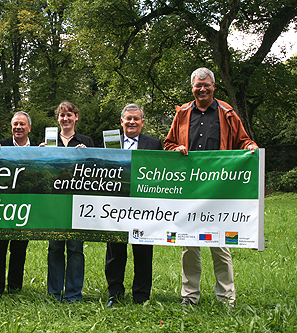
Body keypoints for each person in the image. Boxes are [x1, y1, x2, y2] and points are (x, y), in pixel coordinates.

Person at [164, 67, 258, 308]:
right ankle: (189, 296)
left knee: (220, 243)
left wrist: (251, 148)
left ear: (214, 86)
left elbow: (244, 140)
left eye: (206, 85)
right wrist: (176, 149)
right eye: (198, 85)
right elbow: (168, 144)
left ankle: (226, 298)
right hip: (189, 190)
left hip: (219, 189)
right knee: (189, 245)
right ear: (192, 88)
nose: (202, 89)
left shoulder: (227, 112)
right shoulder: (183, 113)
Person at [105, 104, 162, 307]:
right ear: (121, 122)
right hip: (116, 208)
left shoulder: (155, 144)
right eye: (128, 118)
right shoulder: (109, 143)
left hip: (144, 208)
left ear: (142, 122)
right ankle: (115, 293)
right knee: (115, 253)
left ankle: (141, 295)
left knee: (143, 253)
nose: (132, 122)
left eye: (136, 119)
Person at [44, 101, 94, 302]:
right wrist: (40, 152)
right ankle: (54, 292)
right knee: (55, 247)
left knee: (75, 248)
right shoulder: (48, 141)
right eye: (62, 115)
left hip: (77, 203)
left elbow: (96, 171)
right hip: (55, 204)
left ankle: (73, 293)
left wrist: (87, 155)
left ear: (76, 117)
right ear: (58, 119)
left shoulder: (87, 141)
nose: (65, 119)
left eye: (69, 115)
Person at [0, 111, 35, 299]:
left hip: (26, 207)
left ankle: (15, 288)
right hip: (2, 207)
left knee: (19, 249)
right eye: (15, 124)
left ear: (29, 128)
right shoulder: (0, 146)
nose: (18, 127)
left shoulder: (40, 148)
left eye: (22, 124)